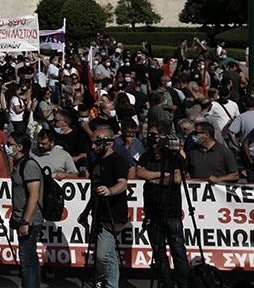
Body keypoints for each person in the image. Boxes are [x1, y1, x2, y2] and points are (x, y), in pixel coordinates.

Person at [136, 123, 189, 288]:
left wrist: (153, 179)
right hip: (152, 210)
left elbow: (177, 178)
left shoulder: (173, 157)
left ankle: (183, 283)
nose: (151, 138)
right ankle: (165, 282)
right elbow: (140, 173)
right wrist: (163, 176)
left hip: (171, 210)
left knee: (178, 250)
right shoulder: (146, 156)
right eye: (149, 134)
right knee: (158, 251)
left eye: (154, 135)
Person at [78, 128, 128, 288]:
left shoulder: (117, 160)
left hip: (114, 214)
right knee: (109, 254)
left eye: (96, 143)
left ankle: (100, 278)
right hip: (99, 213)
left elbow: (123, 184)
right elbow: (94, 191)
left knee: (102, 256)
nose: (92, 147)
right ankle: (111, 285)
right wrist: (86, 213)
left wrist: (110, 191)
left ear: (107, 143)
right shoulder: (97, 162)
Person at [8, 132, 43, 288]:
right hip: (21, 217)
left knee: (27, 262)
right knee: (31, 259)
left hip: (29, 220)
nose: (7, 148)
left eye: (10, 145)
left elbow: (34, 195)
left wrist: (25, 221)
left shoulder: (28, 165)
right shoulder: (18, 163)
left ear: (20, 147)